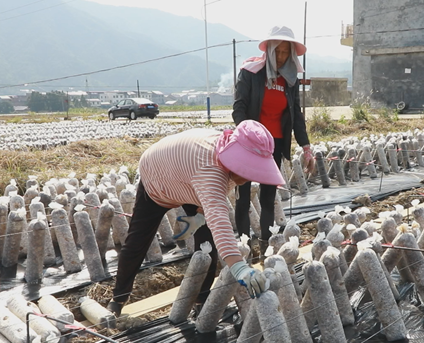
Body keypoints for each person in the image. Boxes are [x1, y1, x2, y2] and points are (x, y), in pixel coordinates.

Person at [106, 121, 283, 317]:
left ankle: (201, 299)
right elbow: (220, 221)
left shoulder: (225, 151)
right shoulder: (210, 172)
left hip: (188, 176)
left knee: (206, 243)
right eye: (249, 169)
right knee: (137, 241)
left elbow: (212, 199)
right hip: (158, 177)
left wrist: (199, 214)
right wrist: (240, 267)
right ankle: (118, 298)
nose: (250, 177)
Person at [233, 26, 314, 254]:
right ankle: (244, 247)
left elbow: (296, 115)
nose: (280, 57)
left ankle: (266, 246)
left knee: (269, 196)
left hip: (275, 144)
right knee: (244, 196)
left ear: (291, 54)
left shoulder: (290, 80)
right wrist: (246, 133)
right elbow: (239, 108)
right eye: (277, 52)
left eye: (285, 53)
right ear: (268, 50)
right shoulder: (250, 73)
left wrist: (306, 149)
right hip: (249, 144)